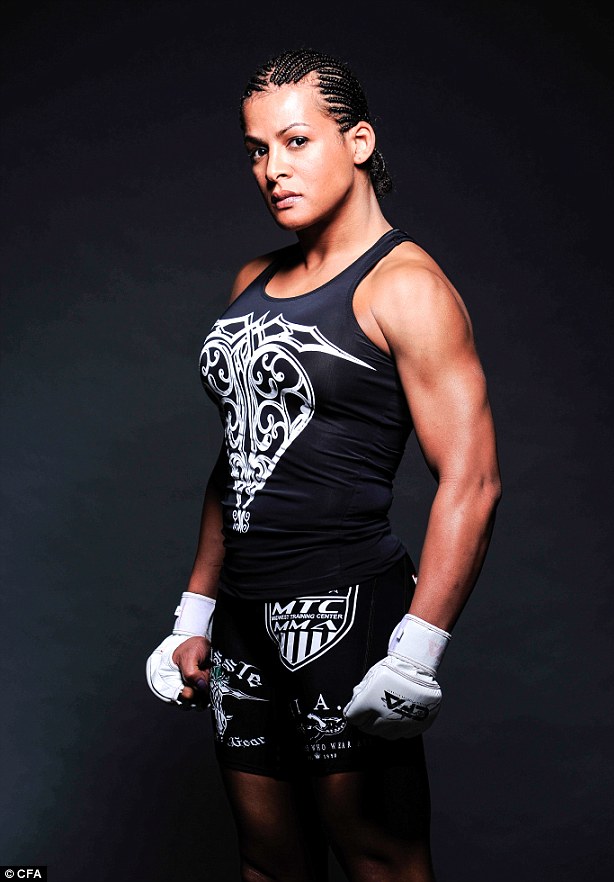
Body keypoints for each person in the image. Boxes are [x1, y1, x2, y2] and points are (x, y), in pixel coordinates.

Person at [146, 48, 501, 882]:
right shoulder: (252, 278)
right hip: (241, 618)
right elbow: (238, 454)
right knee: (268, 862)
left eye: (297, 141)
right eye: (256, 149)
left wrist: (418, 651)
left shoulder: (405, 287)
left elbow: (473, 479)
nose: (272, 169)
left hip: (346, 613)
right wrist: (194, 612)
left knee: (380, 861)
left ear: (360, 141)